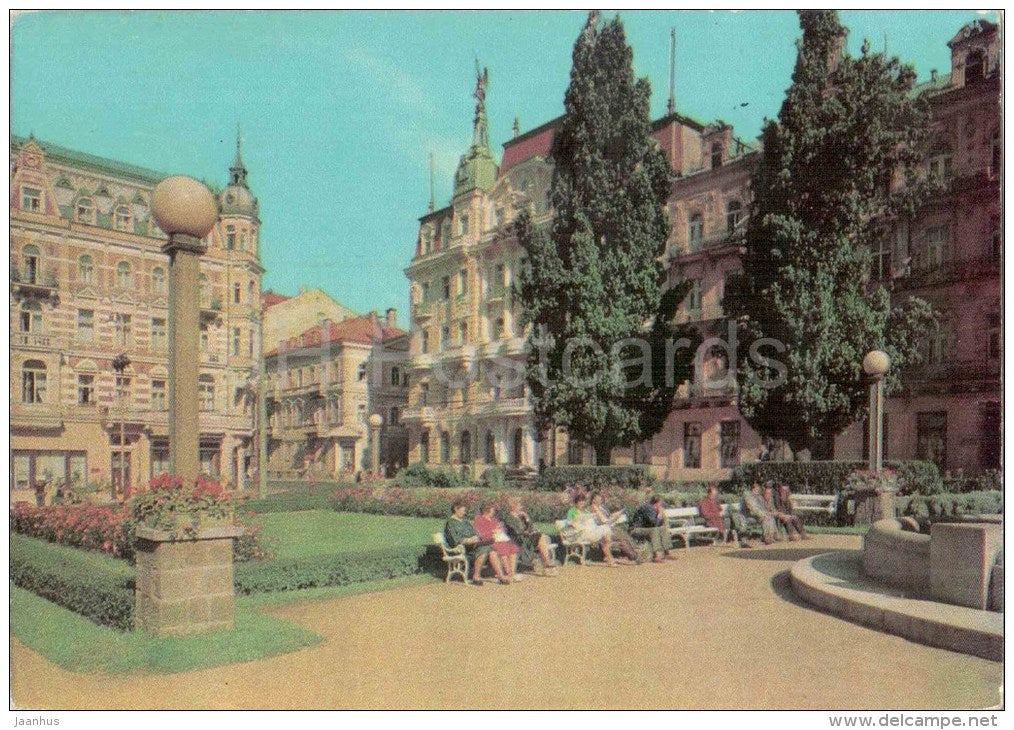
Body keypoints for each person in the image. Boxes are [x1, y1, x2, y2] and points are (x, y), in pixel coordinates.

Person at [444, 500, 509, 586]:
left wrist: (475, 537)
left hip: (473, 544)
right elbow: (454, 540)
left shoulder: (465, 521)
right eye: (463, 510)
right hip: (462, 547)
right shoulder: (450, 523)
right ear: (456, 509)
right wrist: (468, 540)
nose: (464, 512)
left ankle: (500, 576)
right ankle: (476, 576)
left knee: (491, 549)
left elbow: (475, 533)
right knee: (487, 547)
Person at [502, 497, 558, 576]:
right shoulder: (508, 518)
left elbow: (531, 528)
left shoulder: (521, 517)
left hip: (526, 538)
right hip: (517, 540)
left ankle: (546, 563)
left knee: (540, 536)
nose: (521, 507)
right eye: (519, 505)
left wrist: (527, 519)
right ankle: (546, 565)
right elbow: (516, 531)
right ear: (513, 506)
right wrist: (527, 533)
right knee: (538, 537)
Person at [565, 493, 618, 567]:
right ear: (576, 502)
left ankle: (608, 556)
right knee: (606, 534)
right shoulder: (572, 511)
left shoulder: (585, 511)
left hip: (591, 531)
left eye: (583, 501)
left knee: (606, 530)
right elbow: (569, 523)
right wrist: (575, 520)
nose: (582, 503)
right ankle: (608, 555)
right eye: (580, 501)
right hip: (581, 533)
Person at [473, 502, 522, 582]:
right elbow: (480, 534)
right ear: (487, 511)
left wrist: (501, 530)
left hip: (499, 539)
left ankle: (512, 573)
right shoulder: (479, 520)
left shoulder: (494, 520)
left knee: (513, 548)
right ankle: (509, 574)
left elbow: (503, 529)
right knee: (502, 549)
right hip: (489, 540)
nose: (494, 512)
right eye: (492, 510)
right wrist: (492, 532)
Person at [589, 491, 640, 563]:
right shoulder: (594, 508)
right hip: (602, 530)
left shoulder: (601, 507)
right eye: (598, 498)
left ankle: (634, 553)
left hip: (608, 527)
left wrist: (621, 512)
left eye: (600, 497)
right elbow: (604, 521)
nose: (600, 499)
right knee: (621, 536)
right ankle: (633, 555)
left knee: (622, 534)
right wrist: (615, 518)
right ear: (593, 500)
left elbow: (609, 516)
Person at [698, 483, 752, 547]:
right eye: (713, 494)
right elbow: (705, 515)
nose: (714, 496)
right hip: (711, 521)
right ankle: (734, 539)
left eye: (715, 495)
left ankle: (741, 538)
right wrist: (718, 514)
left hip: (720, 519)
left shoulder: (714, 501)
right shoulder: (704, 502)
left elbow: (720, 509)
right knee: (730, 520)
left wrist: (722, 512)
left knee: (735, 517)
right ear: (709, 493)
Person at [629, 495, 674, 562]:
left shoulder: (653, 508)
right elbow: (654, 524)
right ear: (657, 503)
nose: (661, 505)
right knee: (654, 530)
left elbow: (657, 524)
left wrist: (660, 515)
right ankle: (657, 556)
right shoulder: (648, 508)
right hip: (635, 529)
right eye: (660, 503)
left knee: (663, 529)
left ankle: (667, 553)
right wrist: (659, 514)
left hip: (644, 529)